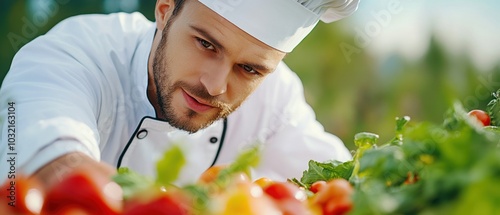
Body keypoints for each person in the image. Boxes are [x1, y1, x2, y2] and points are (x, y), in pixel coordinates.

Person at [0, 0, 359, 189]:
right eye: (206, 44)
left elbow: (348, 184)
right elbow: (47, 161)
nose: (216, 86)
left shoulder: (276, 98)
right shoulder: (77, 52)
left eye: (249, 69)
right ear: (165, 9)